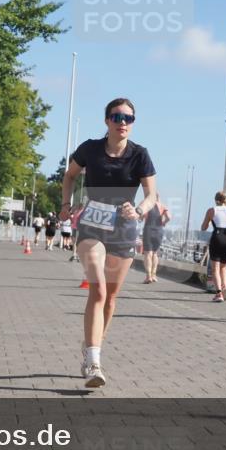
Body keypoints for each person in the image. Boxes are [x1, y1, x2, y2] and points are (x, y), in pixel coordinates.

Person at [60, 98, 156, 388]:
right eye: (116, 117)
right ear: (107, 120)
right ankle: (93, 363)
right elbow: (69, 175)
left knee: (111, 298)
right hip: (92, 225)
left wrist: (138, 210)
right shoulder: (90, 149)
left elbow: (152, 195)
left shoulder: (140, 154)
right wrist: (66, 203)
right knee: (98, 290)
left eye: (128, 118)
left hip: (123, 228)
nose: (122, 122)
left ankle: (92, 347)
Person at [201, 192, 226, 303]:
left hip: (217, 237)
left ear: (216, 200)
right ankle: (225, 286)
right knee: (224, 267)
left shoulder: (211, 210)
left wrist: (208, 223)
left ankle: (219, 293)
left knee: (215, 268)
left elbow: (203, 227)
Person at [142, 194, 171, 283]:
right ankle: (154, 275)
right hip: (159, 230)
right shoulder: (162, 206)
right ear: (159, 198)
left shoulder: (147, 205)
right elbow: (169, 217)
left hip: (148, 230)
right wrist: (163, 222)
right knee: (155, 253)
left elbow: (140, 216)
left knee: (148, 253)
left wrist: (141, 217)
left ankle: (148, 276)